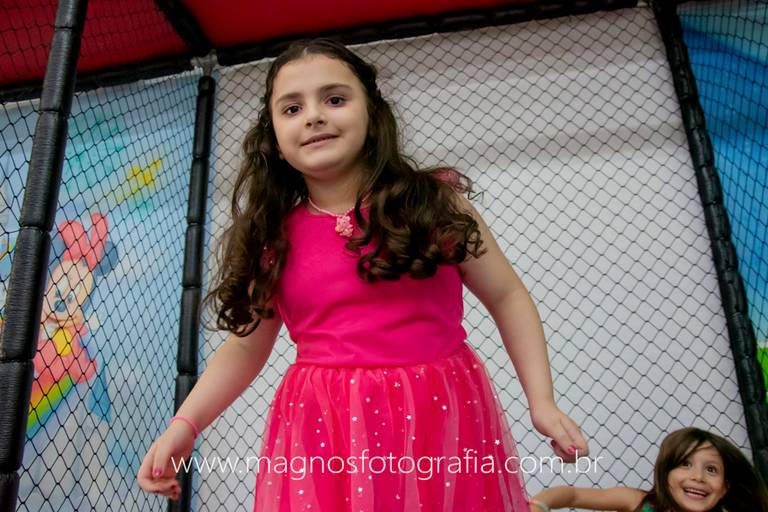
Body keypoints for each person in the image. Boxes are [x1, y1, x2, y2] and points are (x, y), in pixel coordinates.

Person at [137, 38, 587, 510]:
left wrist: (542, 401)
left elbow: (506, 295)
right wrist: (185, 425)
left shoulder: (432, 205)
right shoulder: (273, 236)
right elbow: (246, 346)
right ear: (273, 137)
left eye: (334, 99)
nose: (313, 116)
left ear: (372, 114)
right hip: (325, 429)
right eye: (292, 108)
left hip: (438, 413)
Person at [530, 427, 768, 512]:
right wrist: (541, 504)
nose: (698, 477)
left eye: (712, 470)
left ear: (725, 487)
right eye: (685, 464)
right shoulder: (637, 502)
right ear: (665, 473)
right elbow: (573, 495)